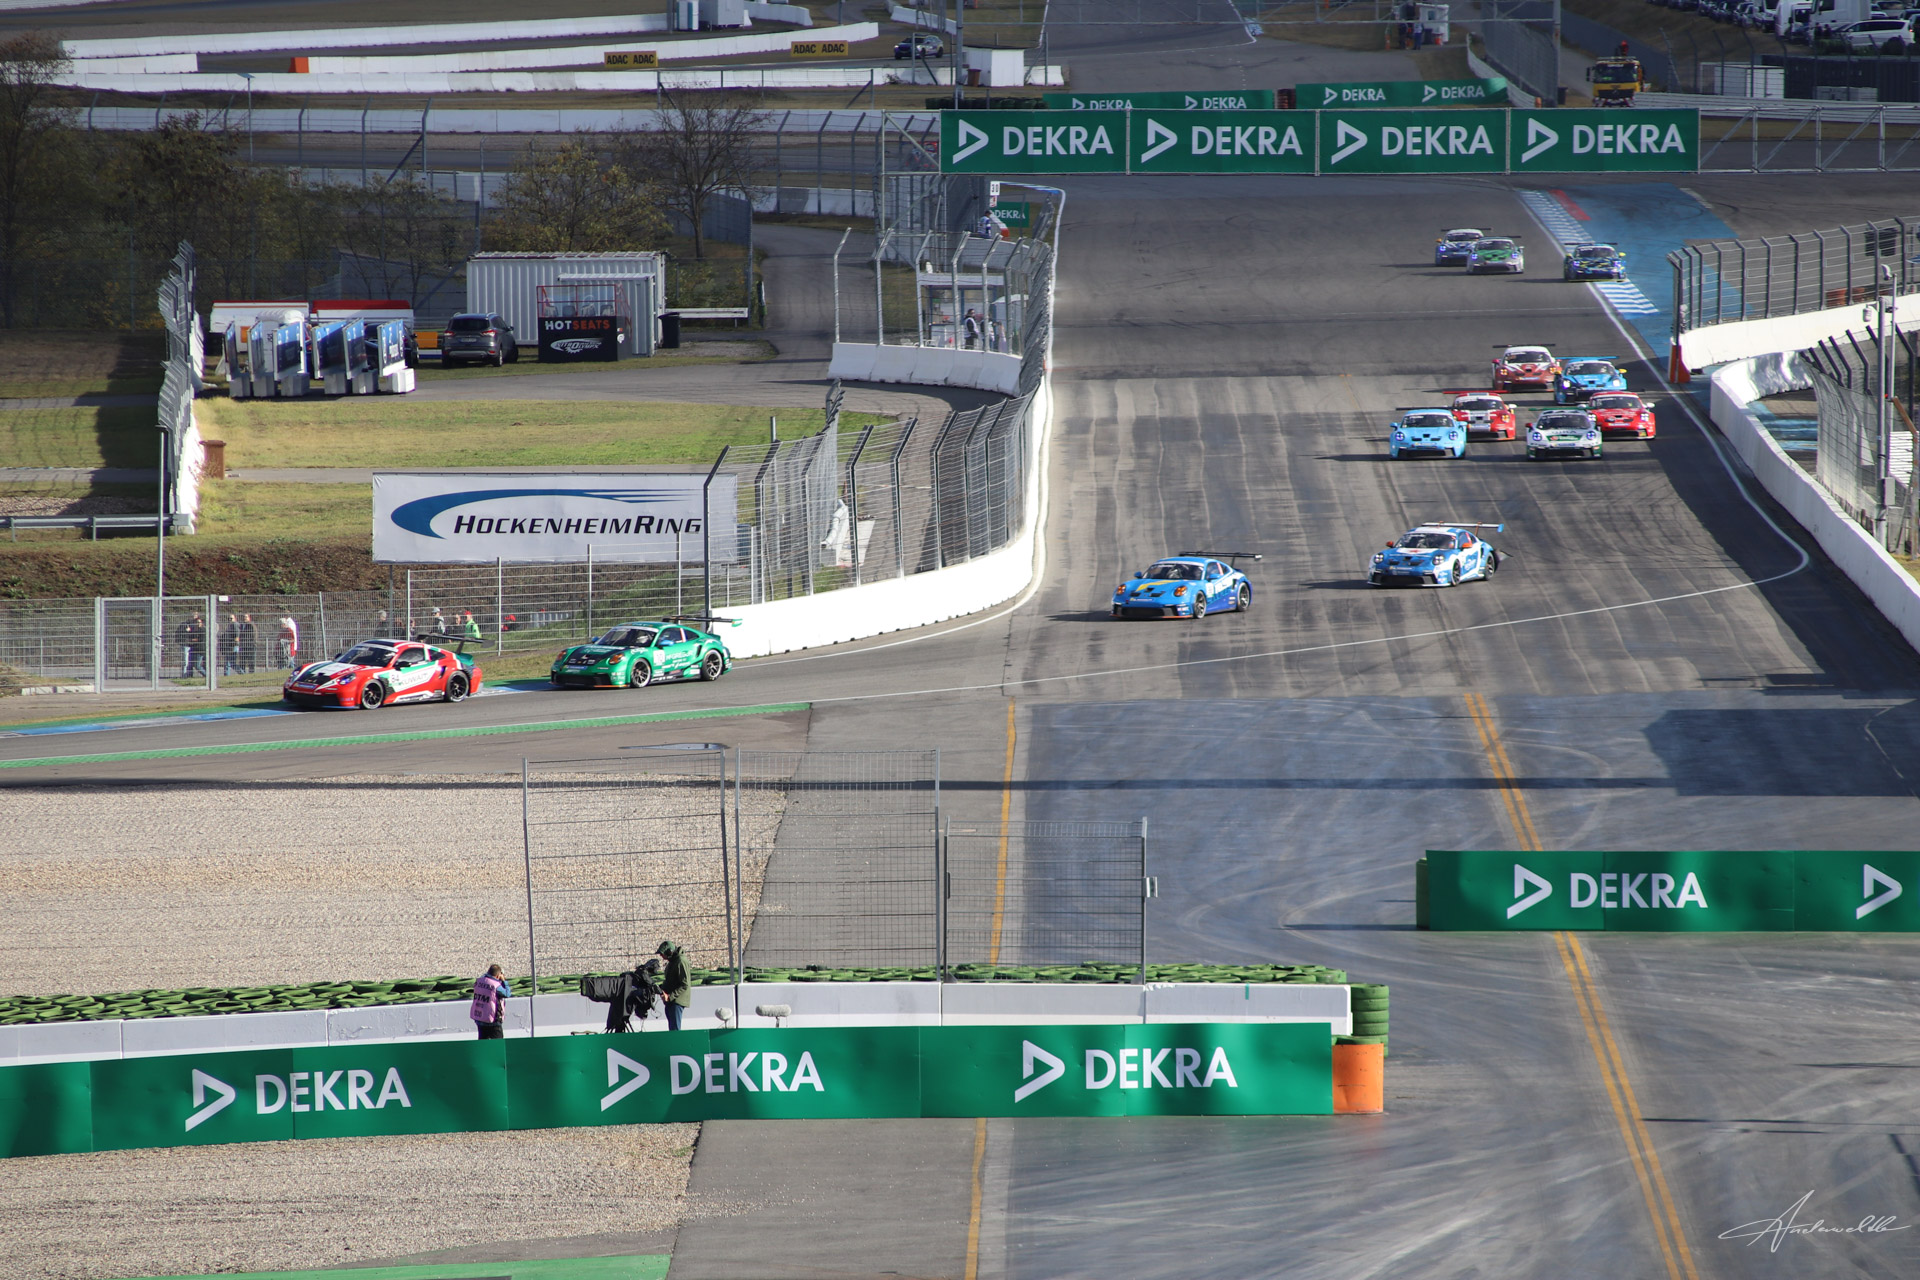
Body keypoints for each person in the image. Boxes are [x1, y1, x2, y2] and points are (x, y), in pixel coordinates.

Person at [655, 940, 690, 1032]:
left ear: (669, 952)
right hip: (671, 1001)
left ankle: (677, 1042)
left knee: (675, 1031)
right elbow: (671, 980)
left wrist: (670, 996)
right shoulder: (673, 961)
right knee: (672, 1029)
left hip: (676, 1001)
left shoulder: (681, 961)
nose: (661, 956)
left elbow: (685, 985)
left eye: (662, 954)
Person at [470, 964, 510, 1039]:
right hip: (493, 1019)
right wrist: (505, 981)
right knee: (498, 1044)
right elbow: (507, 994)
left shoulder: (479, 981)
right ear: (498, 976)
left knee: (483, 1043)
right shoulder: (495, 985)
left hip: (480, 1017)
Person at [177, 613, 205, 677]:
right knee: (186, 662)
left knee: (194, 663)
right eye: (193, 615)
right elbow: (180, 634)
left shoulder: (200, 628)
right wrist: (186, 632)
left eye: (195, 615)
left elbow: (200, 638)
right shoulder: (185, 624)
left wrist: (194, 640)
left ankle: (191, 674)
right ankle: (186, 675)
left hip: (195, 646)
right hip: (187, 645)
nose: (194, 617)